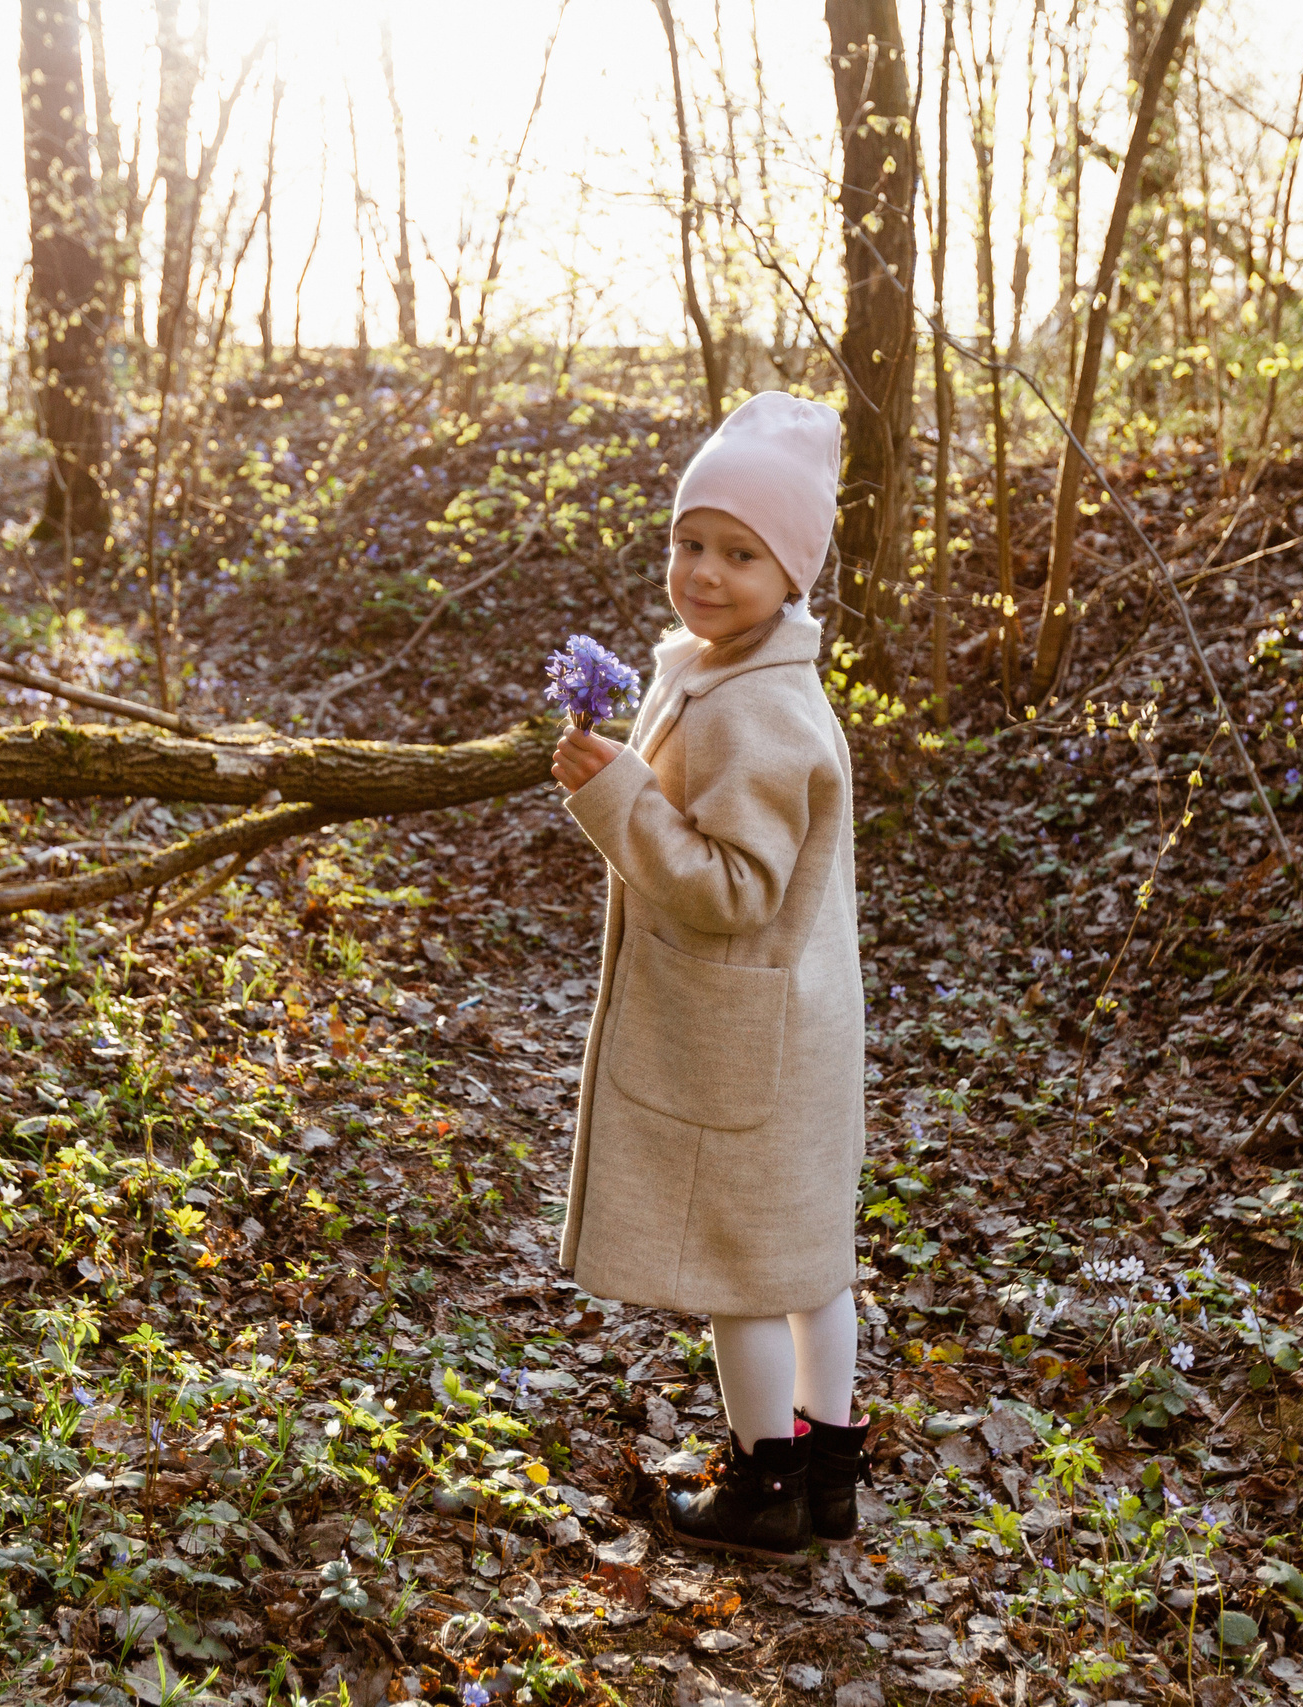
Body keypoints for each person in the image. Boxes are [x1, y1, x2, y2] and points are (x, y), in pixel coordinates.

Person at [547, 391, 869, 1558]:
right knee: (810, 1262)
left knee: (747, 1277)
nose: (705, 573)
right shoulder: (730, 673)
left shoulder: (756, 707)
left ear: (792, 576)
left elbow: (734, 887)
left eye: (741, 553)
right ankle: (829, 1477)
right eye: (690, 542)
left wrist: (615, 797)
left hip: (754, 1035)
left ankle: (763, 1484)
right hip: (794, 1023)